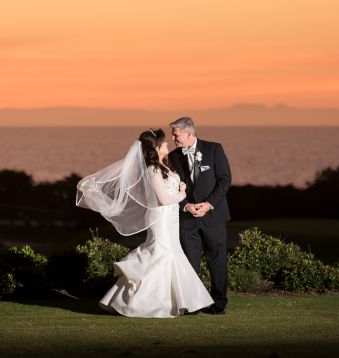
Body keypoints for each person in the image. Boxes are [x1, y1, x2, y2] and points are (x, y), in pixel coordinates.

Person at [76, 128, 214, 318]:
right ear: (156, 147)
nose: (167, 144)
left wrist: (179, 187)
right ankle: (140, 302)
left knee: (171, 253)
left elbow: (167, 194)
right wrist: (182, 193)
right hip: (161, 217)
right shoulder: (153, 169)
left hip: (170, 217)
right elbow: (163, 199)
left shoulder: (163, 165)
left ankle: (176, 301)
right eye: (164, 142)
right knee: (160, 253)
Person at [168, 117, 231, 315]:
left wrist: (209, 204)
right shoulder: (173, 157)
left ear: (188, 133)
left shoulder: (214, 149)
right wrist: (186, 206)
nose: (173, 137)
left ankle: (218, 303)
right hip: (188, 219)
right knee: (189, 262)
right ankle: (192, 304)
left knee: (217, 260)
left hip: (213, 216)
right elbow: (170, 188)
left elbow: (225, 179)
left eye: (176, 134)